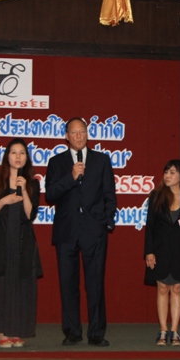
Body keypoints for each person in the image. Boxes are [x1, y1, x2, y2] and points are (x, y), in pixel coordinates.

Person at [45, 117, 117, 347]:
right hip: (66, 230)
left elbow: (109, 194)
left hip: (94, 231)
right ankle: (72, 332)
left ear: (87, 134)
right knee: (68, 284)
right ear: (66, 136)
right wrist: (71, 177)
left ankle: (96, 333)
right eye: (74, 132)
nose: (78, 136)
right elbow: (50, 194)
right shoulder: (56, 162)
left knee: (95, 284)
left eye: (82, 132)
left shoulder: (101, 160)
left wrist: (106, 222)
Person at [0, 138, 42, 348]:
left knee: (20, 288)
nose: (18, 157)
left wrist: (24, 190)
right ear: (7, 156)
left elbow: (30, 215)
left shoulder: (32, 182)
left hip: (22, 242)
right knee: (0, 287)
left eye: (22, 153)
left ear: (27, 157)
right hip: (0, 240)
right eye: (13, 152)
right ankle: (0, 330)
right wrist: (4, 200)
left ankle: (16, 329)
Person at [145, 160, 180, 346]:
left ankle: (174, 331)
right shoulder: (156, 196)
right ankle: (162, 331)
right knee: (162, 288)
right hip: (160, 250)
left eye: (172, 172)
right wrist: (149, 252)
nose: (167, 176)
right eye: (166, 172)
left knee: (177, 289)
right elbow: (150, 227)